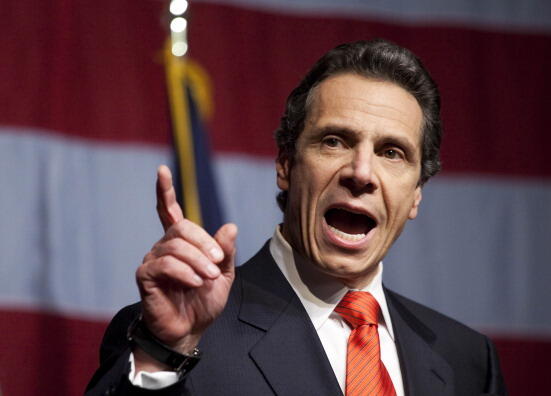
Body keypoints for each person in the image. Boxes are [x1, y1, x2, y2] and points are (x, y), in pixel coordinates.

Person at [86, 39, 507, 396]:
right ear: (285, 165)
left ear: (416, 194)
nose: (361, 173)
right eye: (334, 141)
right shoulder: (181, 337)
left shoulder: (466, 359)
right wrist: (161, 352)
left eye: (391, 153)